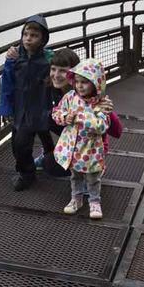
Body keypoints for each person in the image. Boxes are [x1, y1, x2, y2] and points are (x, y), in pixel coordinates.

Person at [0, 15, 65, 190]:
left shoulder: (49, 59)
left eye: (34, 35)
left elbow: (61, 80)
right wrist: (6, 108)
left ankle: (83, 163)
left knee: (70, 131)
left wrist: (62, 105)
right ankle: (27, 173)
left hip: (45, 108)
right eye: (26, 34)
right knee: (19, 146)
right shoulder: (14, 57)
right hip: (22, 111)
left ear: (43, 39)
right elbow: (7, 83)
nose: (28, 38)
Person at [52, 58, 111, 219]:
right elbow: (56, 113)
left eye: (85, 82)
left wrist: (81, 117)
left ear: (95, 83)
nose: (79, 85)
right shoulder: (70, 97)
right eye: (77, 81)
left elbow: (102, 125)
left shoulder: (101, 103)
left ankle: (94, 202)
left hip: (91, 149)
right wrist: (65, 118)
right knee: (75, 176)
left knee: (93, 178)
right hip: (72, 147)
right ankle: (76, 199)